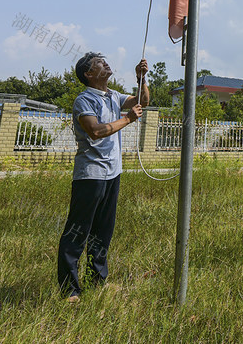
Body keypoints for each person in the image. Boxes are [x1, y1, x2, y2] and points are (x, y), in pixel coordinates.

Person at [58, 53, 148, 302]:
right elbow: (95, 131)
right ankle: (70, 291)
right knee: (78, 232)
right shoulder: (84, 100)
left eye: (105, 60)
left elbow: (142, 101)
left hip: (112, 173)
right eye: (99, 62)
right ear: (88, 74)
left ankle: (97, 283)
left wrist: (141, 79)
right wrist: (128, 119)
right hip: (91, 175)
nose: (106, 64)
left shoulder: (113, 96)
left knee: (103, 231)